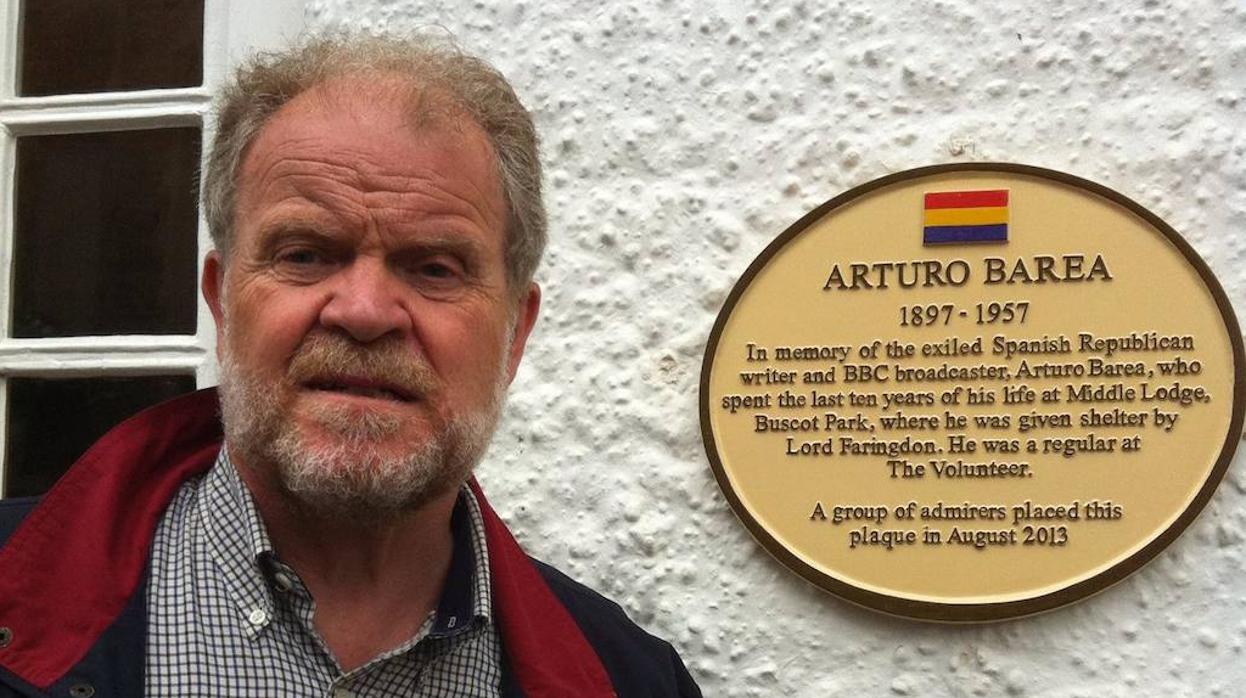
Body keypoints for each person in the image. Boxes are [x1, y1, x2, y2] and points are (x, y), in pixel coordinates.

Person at [0, 33, 700, 697]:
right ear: (222, 303)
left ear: (515, 332)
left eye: (433, 267)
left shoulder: (633, 681)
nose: (365, 312)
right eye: (304, 254)